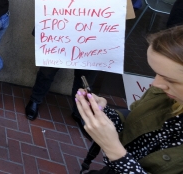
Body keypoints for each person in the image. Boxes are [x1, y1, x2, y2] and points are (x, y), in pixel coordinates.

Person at [25, 0, 141, 125]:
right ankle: (35, 101)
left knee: (85, 81)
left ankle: (80, 112)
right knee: (47, 72)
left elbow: (131, 10)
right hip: (60, 37)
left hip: (94, 42)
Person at [75, 26, 183, 173]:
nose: (155, 84)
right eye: (156, 73)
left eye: (170, 80)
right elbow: (133, 126)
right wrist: (104, 114)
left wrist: (114, 151)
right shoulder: (162, 94)